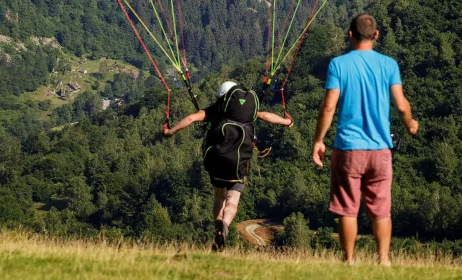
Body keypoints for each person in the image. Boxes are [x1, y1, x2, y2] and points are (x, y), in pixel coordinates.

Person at [312, 14, 418, 266]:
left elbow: (328, 107)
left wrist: (318, 140)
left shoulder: (338, 65)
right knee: (381, 209)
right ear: (377, 35)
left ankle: (348, 260)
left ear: (350, 35)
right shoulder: (389, 65)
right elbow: (402, 105)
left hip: (348, 148)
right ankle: (383, 261)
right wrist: (411, 124)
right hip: (381, 149)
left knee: (347, 208)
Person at [164, 79, 292, 250]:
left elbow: (192, 118)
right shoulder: (249, 112)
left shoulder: (215, 110)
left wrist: (170, 131)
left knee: (219, 197)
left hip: (217, 160)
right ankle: (224, 225)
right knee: (233, 200)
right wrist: (287, 122)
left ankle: (218, 225)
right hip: (239, 164)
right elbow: (267, 116)